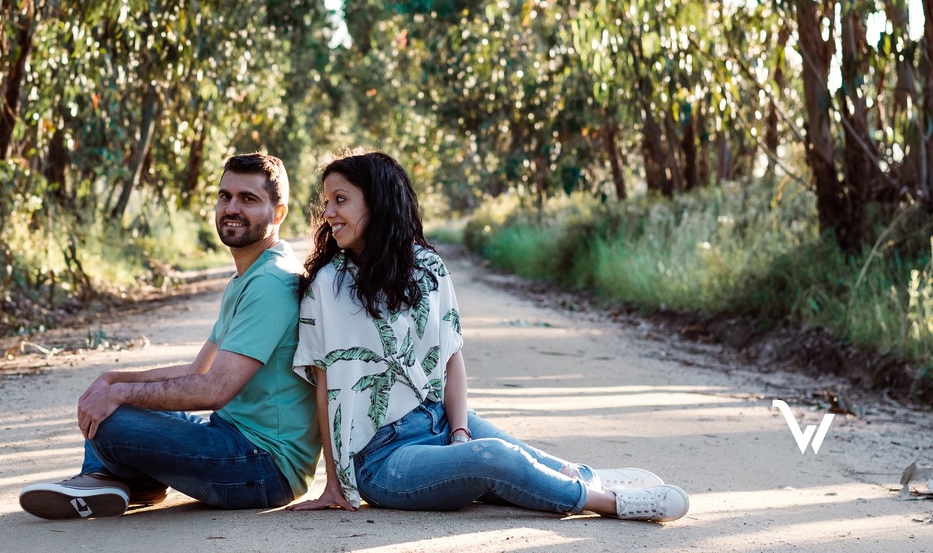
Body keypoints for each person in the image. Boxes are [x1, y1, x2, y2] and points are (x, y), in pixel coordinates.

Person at [287, 150, 690, 523]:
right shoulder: (328, 285)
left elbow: (450, 359)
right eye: (326, 202)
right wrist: (336, 486)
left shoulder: (427, 269)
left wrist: (459, 432)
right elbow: (327, 385)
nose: (329, 213)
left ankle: (582, 476)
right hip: (383, 460)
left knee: (517, 458)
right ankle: (611, 503)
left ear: (377, 202)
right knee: (494, 459)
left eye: (341, 200)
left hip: (440, 419)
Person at [20, 153, 321, 520]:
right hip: (234, 438)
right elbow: (199, 369)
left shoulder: (271, 282)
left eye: (248, 198)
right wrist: (114, 380)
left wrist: (118, 394)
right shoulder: (249, 275)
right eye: (225, 196)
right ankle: (116, 480)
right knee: (115, 401)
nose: (232, 207)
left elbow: (214, 389)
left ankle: (112, 478)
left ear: (278, 214)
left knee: (112, 422)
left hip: (263, 467)